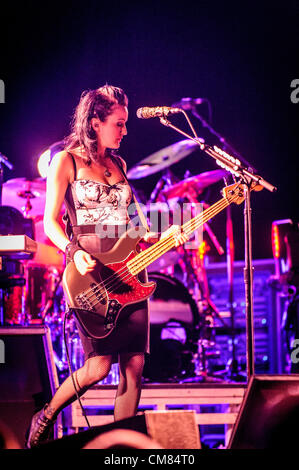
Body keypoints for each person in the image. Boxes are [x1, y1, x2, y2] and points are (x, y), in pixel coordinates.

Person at [26, 84, 188, 448]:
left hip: (131, 268)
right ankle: (46, 415)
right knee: (98, 368)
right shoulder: (64, 161)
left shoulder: (120, 164)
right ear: (95, 121)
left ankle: (121, 448)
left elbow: (136, 225)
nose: (125, 131)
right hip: (90, 269)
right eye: (119, 123)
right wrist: (71, 250)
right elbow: (49, 220)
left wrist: (164, 233)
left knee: (134, 367)